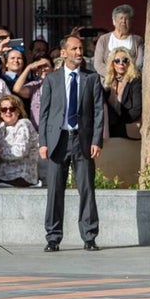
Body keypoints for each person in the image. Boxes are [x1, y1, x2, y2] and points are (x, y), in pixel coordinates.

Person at [38, 34, 104, 252]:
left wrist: (96, 140)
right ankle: (53, 237)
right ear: (64, 52)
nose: (79, 52)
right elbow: (44, 113)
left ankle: (89, 236)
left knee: (87, 189)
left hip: (82, 140)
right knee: (54, 191)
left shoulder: (91, 78)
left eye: (81, 48)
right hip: (58, 140)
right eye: (74, 48)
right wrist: (43, 142)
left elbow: (98, 112)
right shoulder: (52, 79)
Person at [0, 94, 39, 187]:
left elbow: (19, 152)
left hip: (21, 176)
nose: (8, 112)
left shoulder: (23, 124)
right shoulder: (0, 129)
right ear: (0, 113)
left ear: (18, 111)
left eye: (12, 109)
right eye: (4, 109)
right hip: (2, 174)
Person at [103, 46, 142, 139]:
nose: (121, 63)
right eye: (117, 60)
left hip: (127, 129)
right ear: (112, 64)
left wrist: (119, 122)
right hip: (110, 130)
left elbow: (137, 109)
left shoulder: (135, 81)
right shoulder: (109, 82)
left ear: (129, 63)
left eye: (125, 60)